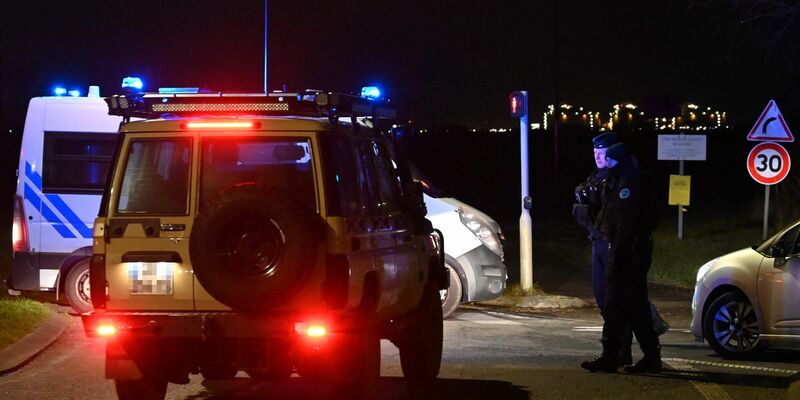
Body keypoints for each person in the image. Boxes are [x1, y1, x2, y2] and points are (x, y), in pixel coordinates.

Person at [579, 142, 663, 374]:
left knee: (615, 304)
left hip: (628, 252)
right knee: (635, 307)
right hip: (627, 250)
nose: (606, 163)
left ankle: (612, 356)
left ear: (617, 160)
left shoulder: (627, 183)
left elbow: (626, 224)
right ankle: (648, 357)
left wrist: (617, 255)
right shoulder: (619, 180)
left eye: (609, 159)